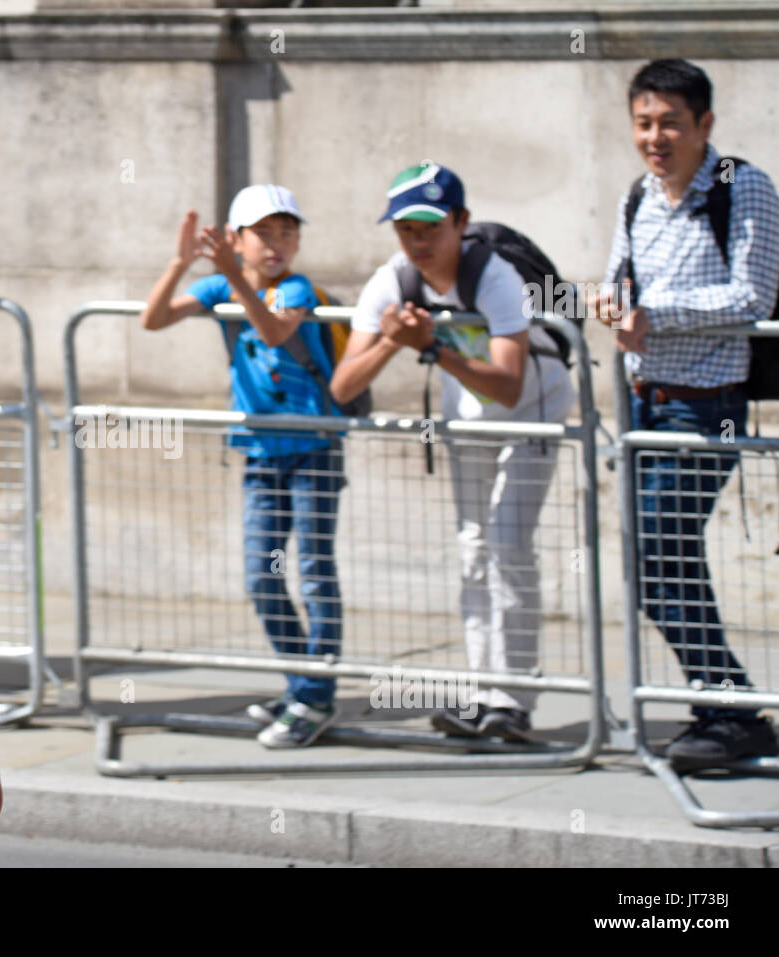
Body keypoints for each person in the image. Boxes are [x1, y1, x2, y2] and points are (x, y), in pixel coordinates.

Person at [331, 162, 576, 742]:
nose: (417, 242)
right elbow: (343, 389)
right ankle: (482, 692)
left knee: (509, 546)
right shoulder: (394, 279)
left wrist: (433, 348)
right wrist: (393, 340)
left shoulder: (494, 278)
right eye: (405, 229)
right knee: (473, 550)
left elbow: (511, 384)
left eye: (429, 227)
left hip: (531, 413)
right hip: (469, 418)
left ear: (460, 223)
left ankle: (511, 701)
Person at [597, 58, 779, 771]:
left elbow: (753, 298)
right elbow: (618, 279)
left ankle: (731, 709)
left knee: (657, 557)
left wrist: (656, 317)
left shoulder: (743, 188)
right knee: (658, 563)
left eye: (671, 121)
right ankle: (725, 708)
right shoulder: (637, 197)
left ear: (704, 124)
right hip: (646, 404)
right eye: (644, 122)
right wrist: (612, 302)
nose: (656, 136)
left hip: (708, 412)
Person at [140, 185, 346, 749]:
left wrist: (231, 276)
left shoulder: (296, 288)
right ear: (236, 239)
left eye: (288, 231)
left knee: (316, 572)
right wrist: (183, 263)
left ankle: (316, 696)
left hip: (314, 448)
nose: (278, 243)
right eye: (265, 232)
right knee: (263, 577)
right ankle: (303, 685)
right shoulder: (219, 282)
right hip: (259, 452)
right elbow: (152, 320)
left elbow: (277, 328)